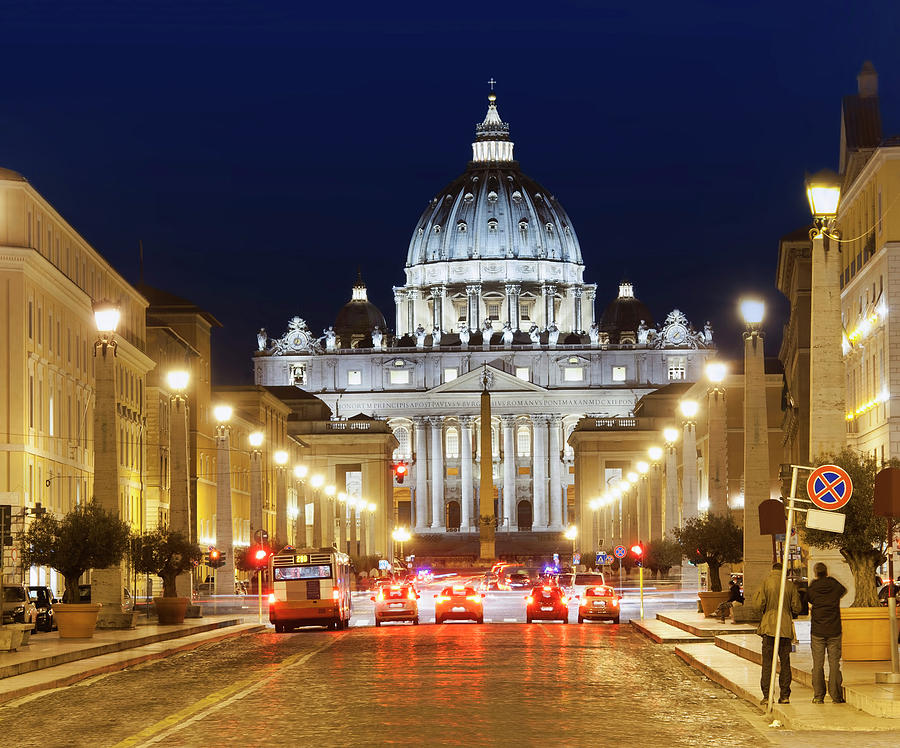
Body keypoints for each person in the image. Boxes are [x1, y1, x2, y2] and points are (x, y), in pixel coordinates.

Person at [752, 562, 802, 705]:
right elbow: (797, 607)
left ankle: (767, 696)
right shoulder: (790, 586)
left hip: (768, 627)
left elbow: (757, 605)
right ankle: (785, 695)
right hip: (785, 628)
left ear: (772, 570)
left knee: (767, 663)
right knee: (785, 662)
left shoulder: (765, 583)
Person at [806, 562, 847, 704]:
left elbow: (808, 598)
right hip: (834, 629)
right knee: (834, 663)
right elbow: (843, 590)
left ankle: (818, 695)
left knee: (817, 664)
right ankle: (836, 695)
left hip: (817, 630)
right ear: (826, 571)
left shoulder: (813, 586)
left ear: (816, 572)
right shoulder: (834, 584)